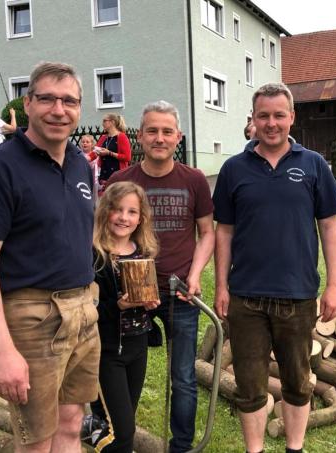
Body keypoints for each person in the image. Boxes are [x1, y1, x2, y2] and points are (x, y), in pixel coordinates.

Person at [0, 61, 100, 453]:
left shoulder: (77, 162)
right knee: (36, 439)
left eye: (69, 101)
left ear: (79, 108)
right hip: (33, 316)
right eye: (47, 99)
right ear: (28, 103)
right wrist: (2, 351)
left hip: (83, 311)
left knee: (72, 424)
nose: (59, 109)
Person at [212, 82, 336, 453]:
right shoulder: (233, 169)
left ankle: (294, 448)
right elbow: (224, 231)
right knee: (250, 385)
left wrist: (334, 286)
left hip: (298, 295)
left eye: (279, 115)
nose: (271, 123)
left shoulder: (313, 165)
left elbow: (330, 227)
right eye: (263, 115)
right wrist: (221, 285)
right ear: (252, 119)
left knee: (298, 382)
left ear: (292, 118)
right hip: (246, 297)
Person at [106, 100, 215, 452]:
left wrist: (196, 275)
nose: (159, 138)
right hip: (130, 295)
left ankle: (180, 447)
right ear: (139, 135)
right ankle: (121, 438)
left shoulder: (194, 180)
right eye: (152, 130)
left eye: (167, 131)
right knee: (120, 366)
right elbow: (102, 233)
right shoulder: (120, 180)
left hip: (180, 293)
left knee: (183, 378)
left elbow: (207, 233)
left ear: (178, 137)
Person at [84, 181, 160, 452]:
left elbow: (148, 301)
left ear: (141, 218)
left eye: (132, 212)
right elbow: (86, 311)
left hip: (137, 347)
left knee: (124, 420)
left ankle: (91, 428)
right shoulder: (94, 257)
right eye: (117, 210)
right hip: (106, 351)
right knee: (124, 432)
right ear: (105, 212)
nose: (124, 217)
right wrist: (118, 306)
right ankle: (92, 427)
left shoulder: (142, 253)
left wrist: (153, 305)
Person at [96, 113, 132, 191]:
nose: (102, 123)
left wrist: (109, 153)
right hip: (104, 175)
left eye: (104, 121)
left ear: (112, 122)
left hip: (118, 175)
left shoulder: (122, 137)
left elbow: (127, 157)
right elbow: (95, 151)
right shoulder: (103, 138)